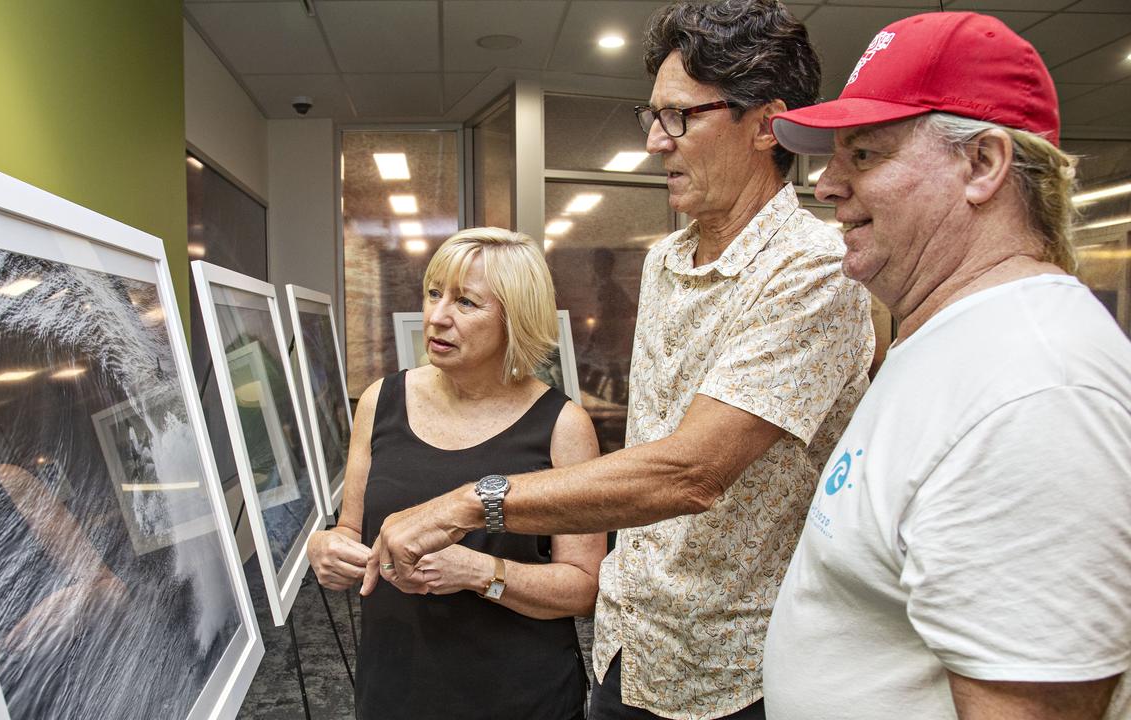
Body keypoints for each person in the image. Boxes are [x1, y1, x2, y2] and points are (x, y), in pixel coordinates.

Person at [361, 2, 876, 718]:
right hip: (629, 649)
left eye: (681, 118)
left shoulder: (813, 271)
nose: (657, 144)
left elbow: (692, 472)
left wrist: (465, 505)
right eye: (652, 118)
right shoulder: (666, 259)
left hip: (735, 674)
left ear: (766, 123)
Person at [763, 11, 1131, 719]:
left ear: (983, 165)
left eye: (865, 155)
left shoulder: (1037, 393)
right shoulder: (952, 340)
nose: (827, 185)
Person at [306, 227, 605, 720]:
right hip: (394, 690)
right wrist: (327, 547)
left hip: (519, 699)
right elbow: (350, 529)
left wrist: (479, 574)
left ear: (515, 318)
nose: (438, 317)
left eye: (466, 302)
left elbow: (582, 587)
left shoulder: (563, 426)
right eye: (433, 294)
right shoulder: (382, 401)